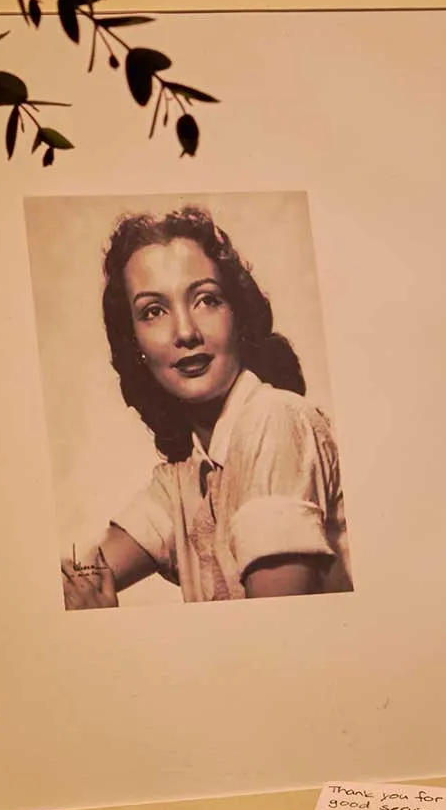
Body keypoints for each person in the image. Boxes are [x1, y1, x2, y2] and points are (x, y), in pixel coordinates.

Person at [61, 206, 351, 608]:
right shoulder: (185, 478)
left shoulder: (274, 418)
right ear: (134, 344)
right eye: (153, 311)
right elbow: (79, 573)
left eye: (206, 300)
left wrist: (108, 629)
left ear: (238, 316)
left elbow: (278, 632)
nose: (185, 332)